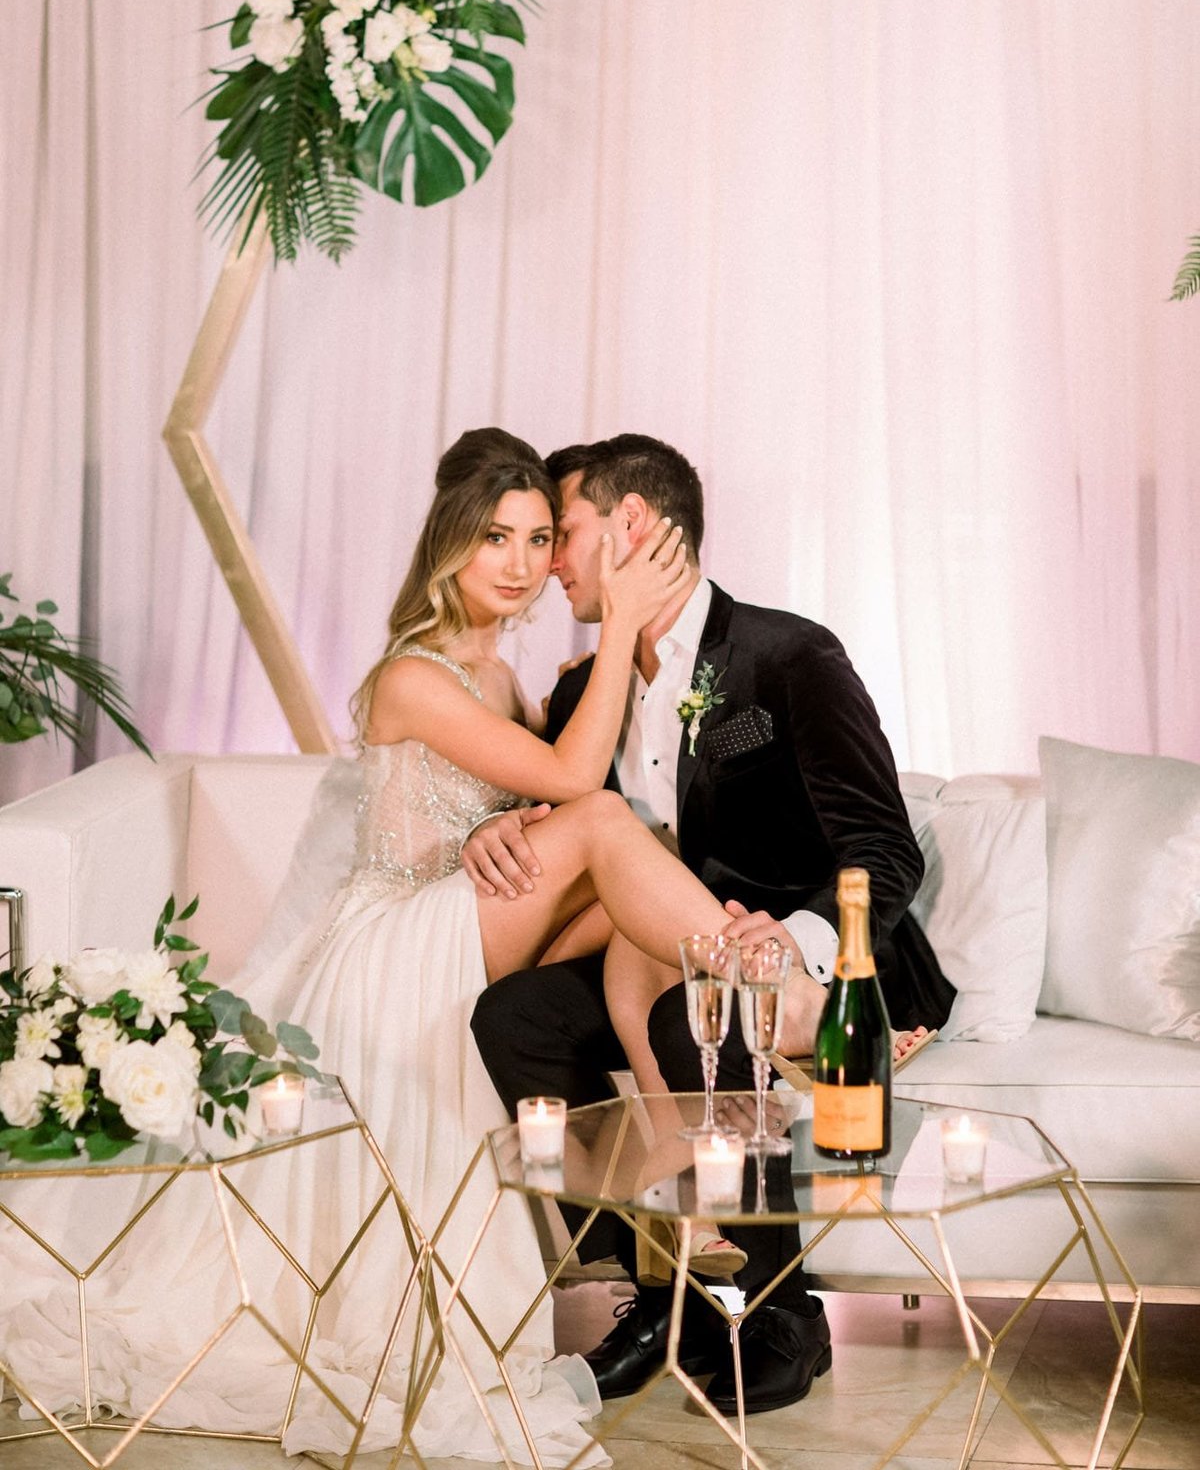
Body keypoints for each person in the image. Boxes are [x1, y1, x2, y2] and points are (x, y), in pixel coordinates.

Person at [0, 427, 760, 1464]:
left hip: (453, 919)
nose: (524, 564)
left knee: (625, 853)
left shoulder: (503, 682)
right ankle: (774, 985)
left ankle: (712, 1037)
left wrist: (505, 821)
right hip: (390, 946)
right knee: (606, 830)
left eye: (542, 540)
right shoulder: (412, 674)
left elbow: (529, 799)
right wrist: (622, 627)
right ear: (451, 541)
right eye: (498, 537)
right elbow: (573, 789)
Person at [469, 433, 956, 1419]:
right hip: (650, 964)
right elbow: (553, 818)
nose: (551, 562)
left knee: (694, 1011)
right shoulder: (579, 693)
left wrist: (801, 941)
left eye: (564, 533)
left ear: (632, 525)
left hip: (801, 968)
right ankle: (654, 1300)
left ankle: (784, 1312)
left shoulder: (789, 656)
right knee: (512, 1017)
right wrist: (491, 831)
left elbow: (883, 849)